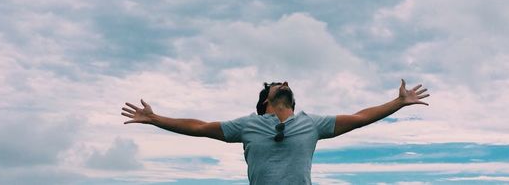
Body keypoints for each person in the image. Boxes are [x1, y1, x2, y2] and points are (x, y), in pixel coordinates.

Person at [121, 79, 429, 184]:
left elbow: (360, 117)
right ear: (266, 99)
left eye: (284, 83)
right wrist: (155, 119)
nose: (283, 83)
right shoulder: (247, 125)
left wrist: (399, 102)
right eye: (276, 83)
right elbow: (199, 127)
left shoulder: (312, 123)